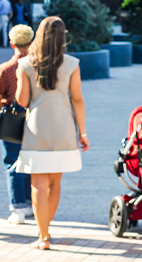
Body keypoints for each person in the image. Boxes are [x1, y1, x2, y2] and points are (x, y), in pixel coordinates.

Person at [15, 16, 90, 250]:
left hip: (36, 130)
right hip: (64, 129)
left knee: (37, 184)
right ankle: (46, 230)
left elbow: (22, 101)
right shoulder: (72, 63)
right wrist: (83, 133)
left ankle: (43, 236)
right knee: (55, 183)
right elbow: (77, 99)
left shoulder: (26, 64)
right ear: (62, 37)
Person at [0, 24, 35, 225]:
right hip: (33, 119)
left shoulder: (5, 69)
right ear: (31, 43)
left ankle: (18, 209)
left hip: (10, 120)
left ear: (11, 44)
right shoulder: (37, 67)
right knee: (29, 162)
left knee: (12, 163)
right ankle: (30, 203)